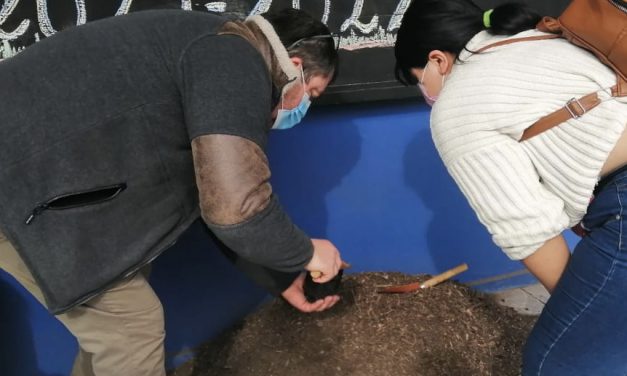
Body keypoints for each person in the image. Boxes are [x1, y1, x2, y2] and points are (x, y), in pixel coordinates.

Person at [0, 7, 345, 376]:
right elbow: (235, 207)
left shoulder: (215, 45)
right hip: (21, 184)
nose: (304, 105)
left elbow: (212, 195)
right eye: (312, 92)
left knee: (116, 328)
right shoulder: (234, 56)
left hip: (40, 184)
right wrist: (307, 253)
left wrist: (280, 273)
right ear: (294, 65)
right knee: (132, 329)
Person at [395, 1, 627, 375]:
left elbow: (527, 231)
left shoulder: (455, 106)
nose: (427, 94)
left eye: (420, 79)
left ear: (438, 60)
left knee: (554, 363)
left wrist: (577, 313)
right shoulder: (542, 38)